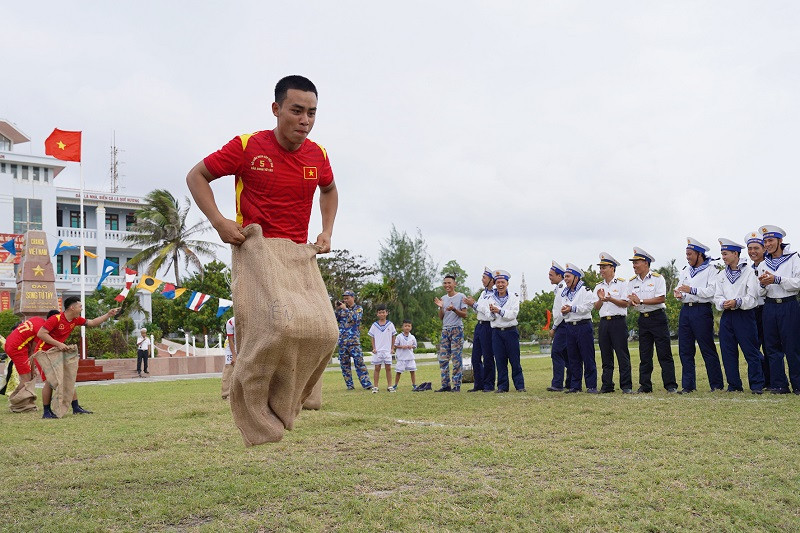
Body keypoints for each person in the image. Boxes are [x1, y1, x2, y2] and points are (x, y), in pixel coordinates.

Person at [186, 75, 338, 253]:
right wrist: (218, 222)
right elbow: (196, 176)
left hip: (298, 253)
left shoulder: (318, 154)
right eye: (297, 111)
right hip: (254, 251)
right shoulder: (246, 146)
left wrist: (327, 231)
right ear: (276, 109)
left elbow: (329, 189)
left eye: (311, 113)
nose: (305, 120)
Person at [35, 296, 120, 418]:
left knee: (68, 377)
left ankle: (76, 407)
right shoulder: (56, 318)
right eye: (80, 306)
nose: (81, 308)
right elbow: (41, 334)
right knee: (50, 381)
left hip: (57, 351)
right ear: (72, 307)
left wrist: (108, 315)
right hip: (44, 353)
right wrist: (59, 344)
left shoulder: (75, 320)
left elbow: (92, 322)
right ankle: (46, 412)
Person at [713, 238, 765, 394]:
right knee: (728, 351)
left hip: (744, 315)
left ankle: (756, 385)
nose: (723, 257)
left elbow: (753, 297)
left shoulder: (749, 272)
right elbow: (717, 296)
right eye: (722, 254)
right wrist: (723, 303)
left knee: (751, 351)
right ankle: (734, 385)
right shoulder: (721, 274)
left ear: (735, 254)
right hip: (727, 316)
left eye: (725, 253)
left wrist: (737, 302)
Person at [674, 237, 724, 393]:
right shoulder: (685, 270)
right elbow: (680, 288)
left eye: (690, 254)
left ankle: (716, 384)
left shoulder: (711, 270)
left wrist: (691, 290)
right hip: (686, 311)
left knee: (707, 348)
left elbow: (711, 292)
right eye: (686, 254)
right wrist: (679, 294)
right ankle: (688, 385)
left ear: (699, 254)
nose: (687, 257)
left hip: (701, 311)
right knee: (685, 349)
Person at [627, 247, 678, 393]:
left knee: (664, 353)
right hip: (643, 319)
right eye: (633, 263)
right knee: (645, 354)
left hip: (657, 318)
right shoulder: (631, 282)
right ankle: (645, 385)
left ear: (646, 263)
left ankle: (670, 385)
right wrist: (632, 302)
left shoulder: (657, 278)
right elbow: (630, 301)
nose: (634, 266)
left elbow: (661, 298)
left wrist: (641, 300)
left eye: (637, 262)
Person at [756, 225, 800, 394]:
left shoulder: (794, 258)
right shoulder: (763, 263)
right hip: (770, 306)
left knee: (792, 346)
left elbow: (797, 283)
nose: (767, 244)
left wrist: (777, 279)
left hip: (789, 305)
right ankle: (779, 384)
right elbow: (759, 292)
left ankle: (798, 385)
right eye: (765, 241)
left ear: (780, 241)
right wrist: (762, 284)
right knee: (772, 347)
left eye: (771, 240)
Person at [4, 310, 59, 412]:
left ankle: (23, 403)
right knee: (26, 378)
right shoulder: (42, 331)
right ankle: (16, 402)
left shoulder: (37, 319)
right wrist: (33, 368)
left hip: (13, 344)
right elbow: (33, 352)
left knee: (27, 378)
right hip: (17, 348)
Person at [593, 253, 633, 394]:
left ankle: (626, 385)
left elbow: (625, 304)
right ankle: (607, 385)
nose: (601, 270)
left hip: (618, 322)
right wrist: (601, 299)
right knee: (606, 355)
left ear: (612, 268)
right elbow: (597, 307)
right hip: (604, 322)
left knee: (622, 354)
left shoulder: (622, 283)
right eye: (601, 268)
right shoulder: (598, 286)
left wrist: (610, 299)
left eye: (604, 267)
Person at [480, 270, 525, 393]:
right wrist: (493, 313)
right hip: (496, 332)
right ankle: (502, 386)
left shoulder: (514, 297)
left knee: (515, 360)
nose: (500, 285)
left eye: (503, 282)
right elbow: (488, 315)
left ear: (507, 283)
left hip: (510, 331)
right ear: (495, 283)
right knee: (500, 360)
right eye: (498, 282)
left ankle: (520, 385)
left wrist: (499, 311)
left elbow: (513, 314)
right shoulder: (490, 298)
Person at [560, 263, 599, 394]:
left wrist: (572, 308)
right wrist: (564, 311)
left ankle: (591, 385)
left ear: (576, 277)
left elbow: (589, 307)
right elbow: (563, 310)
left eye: (568, 276)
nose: (565, 279)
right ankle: (575, 386)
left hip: (583, 325)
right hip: (570, 326)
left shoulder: (585, 290)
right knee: (573, 358)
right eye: (565, 276)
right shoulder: (564, 293)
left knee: (588, 356)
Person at [463, 267, 496, 392]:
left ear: (491, 280)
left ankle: (489, 384)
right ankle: (479, 383)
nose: (482, 280)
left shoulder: (495, 295)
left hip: (488, 326)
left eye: (484, 277)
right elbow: (479, 309)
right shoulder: (483, 293)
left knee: (488, 356)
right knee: (475, 357)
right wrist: (472, 304)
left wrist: (475, 304)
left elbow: (488, 312)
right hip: (479, 325)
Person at [434, 274, 468, 392]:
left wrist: (454, 309)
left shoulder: (461, 296)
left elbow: (464, 314)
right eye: (445, 283)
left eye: (449, 283)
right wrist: (440, 308)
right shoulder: (443, 298)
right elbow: (441, 317)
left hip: (456, 329)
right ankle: (445, 385)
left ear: (455, 284)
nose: (447, 285)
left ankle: (456, 385)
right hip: (445, 330)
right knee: (443, 359)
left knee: (456, 358)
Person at [745, 230, 769, 387]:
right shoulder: (746, 269)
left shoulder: (770, 265)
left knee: (769, 346)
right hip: (751, 311)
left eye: (756, 248)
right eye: (750, 249)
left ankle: (771, 380)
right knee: (753, 348)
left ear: (764, 249)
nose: (753, 252)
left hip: (767, 309)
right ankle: (760, 379)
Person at [335, 290, 373, 390]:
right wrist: (337, 309)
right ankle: (349, 385)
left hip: (354, 342)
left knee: (359, 363)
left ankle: (366, 384)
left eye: (347, 298)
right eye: (344, 298)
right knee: (344, 365)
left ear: (353, 298)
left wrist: (346, 309)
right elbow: (334, 319)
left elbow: (356, 319)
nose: (345, 300)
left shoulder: (358, 308)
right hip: (343, 342)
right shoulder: (341, 310)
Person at [547, 261, 570, 392]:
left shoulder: (561, 289)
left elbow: (561, 310)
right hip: (563, 324)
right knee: (566, 355)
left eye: (551, 275)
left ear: (559, 276)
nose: (549, 277)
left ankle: (557, 383)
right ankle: (570, 380)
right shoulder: (559, 288)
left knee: (556, 353)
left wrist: (554, 327)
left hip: (562, 324)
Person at [368, 305, 397, 393]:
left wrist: (392, 348)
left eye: (383, 312)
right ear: (377, 314)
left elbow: (393, 336)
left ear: (386, 313)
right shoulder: (374, 325)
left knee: (388, 368)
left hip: (387, 350)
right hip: (378, 351)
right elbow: (372, 337)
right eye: (380, 312)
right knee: (377, 368)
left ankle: (390, 386)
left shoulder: (390, 324)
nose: (382, 314)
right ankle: (376, 386)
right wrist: (374, 348)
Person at [393, 320, 418, 391]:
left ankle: (414, 384)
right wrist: (402, 347)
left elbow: (415, 345)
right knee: (398, 372)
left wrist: (411, 346)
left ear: (411, 327)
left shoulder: (412, 337)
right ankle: (395, 385)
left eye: (409, 326)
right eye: (405, 326)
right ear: (402, 327)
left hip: (410, 357)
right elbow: (395, 345)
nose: (407, 328)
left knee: (412, 371)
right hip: (401, 357)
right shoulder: (399, 336)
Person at [221, 315, 236, 400]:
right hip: (231, 345)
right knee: (229, 367)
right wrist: (234, 356)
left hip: (243, 344)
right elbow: (230, 340)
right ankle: (226, 394)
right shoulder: (231, 322)